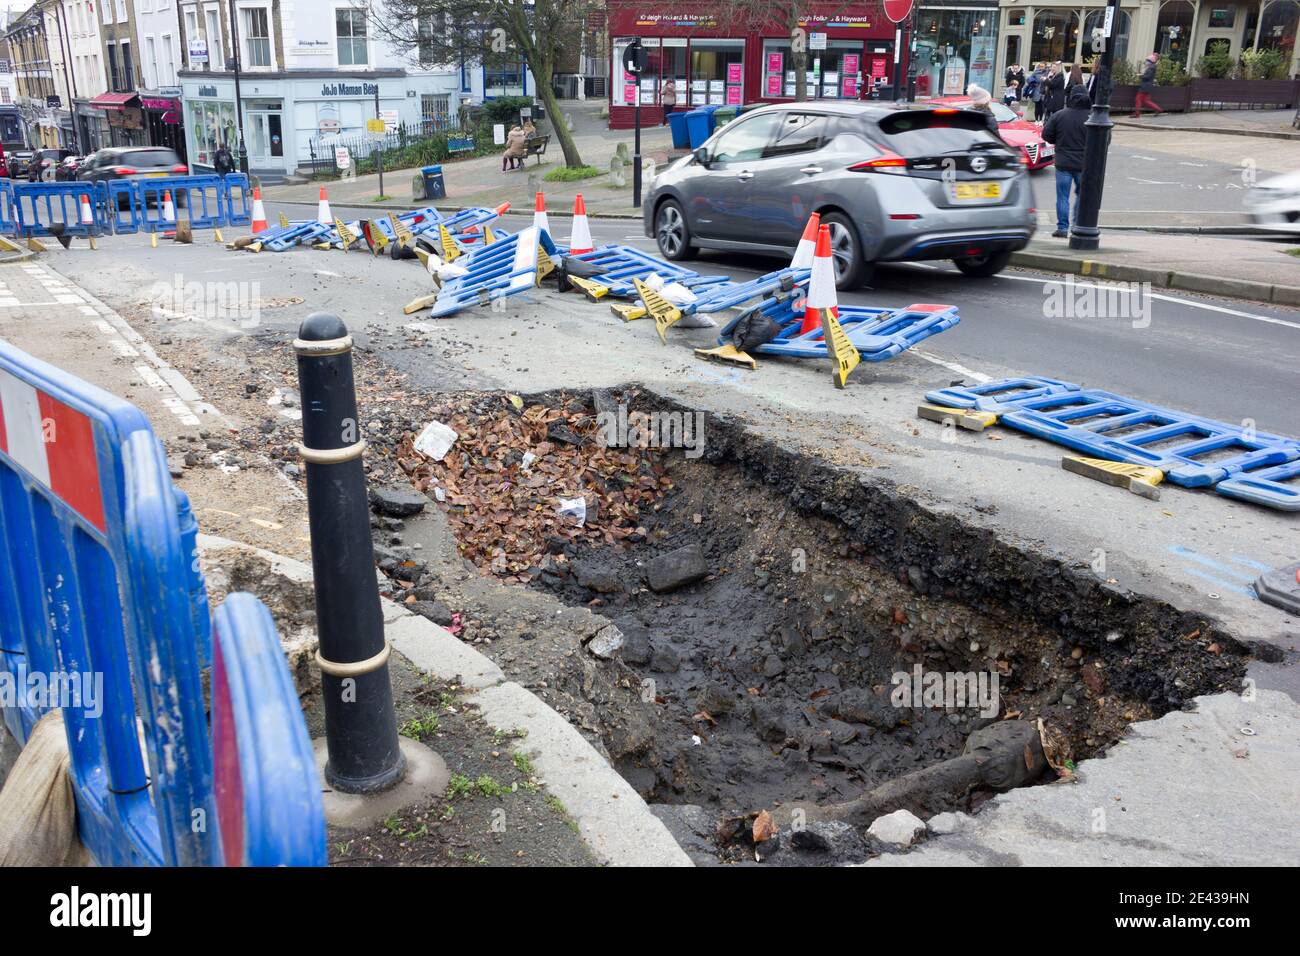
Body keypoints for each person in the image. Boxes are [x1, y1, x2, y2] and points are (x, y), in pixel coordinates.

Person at [1042, 85, 1092, 238]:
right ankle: (1077, 224)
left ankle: (1062, 228)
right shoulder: (1092, 116)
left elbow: (1046, 135)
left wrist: (1059, 140)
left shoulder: (1060, 115)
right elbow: (1104, 140)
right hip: (1084, 163)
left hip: (1063, 162)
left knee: (1062, 197)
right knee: (1081, 195)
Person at [1134, 53, 1165, 119]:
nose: (1146, 62)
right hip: (1148, 86)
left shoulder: (1151, 68)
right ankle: (1158, 109)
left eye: (1147, 60)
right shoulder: (1152, 67)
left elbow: (1147, 77)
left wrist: (1140, 75)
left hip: (1144, 86)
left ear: (1150, 61)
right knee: (1146, 100)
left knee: (1138, 99)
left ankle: (1137, 114)